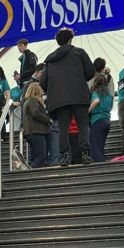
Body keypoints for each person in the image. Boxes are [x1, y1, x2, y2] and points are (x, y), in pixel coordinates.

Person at [39, 28, 94, 167]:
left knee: (63, 128)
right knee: (83, 125)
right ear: (70, 39)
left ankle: (63, 157)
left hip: (59, 100)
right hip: (79, 95)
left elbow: (43, 82)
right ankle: (85, 155)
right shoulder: (79, 53)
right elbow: (90, 72)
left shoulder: (50, 60)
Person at [22, 82, 52, 168]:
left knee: (36, 156)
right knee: (41, 155)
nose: (42, 90)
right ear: (36, 89)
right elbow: (36, 113)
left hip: (31, 132)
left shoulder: (27, 101)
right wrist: (48, 120)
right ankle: (32, 174)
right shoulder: (33, 100)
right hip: (36, 131)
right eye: (41, 88)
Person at [88, 74, 113, 162]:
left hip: (97, 120)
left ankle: (98, 163)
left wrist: (89, 110)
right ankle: (101, 159)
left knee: (95, 145)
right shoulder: (109, 95)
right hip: (106, 120)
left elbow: (96, 100)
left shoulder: (96, 93)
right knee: (101, 144)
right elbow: (111, 107)